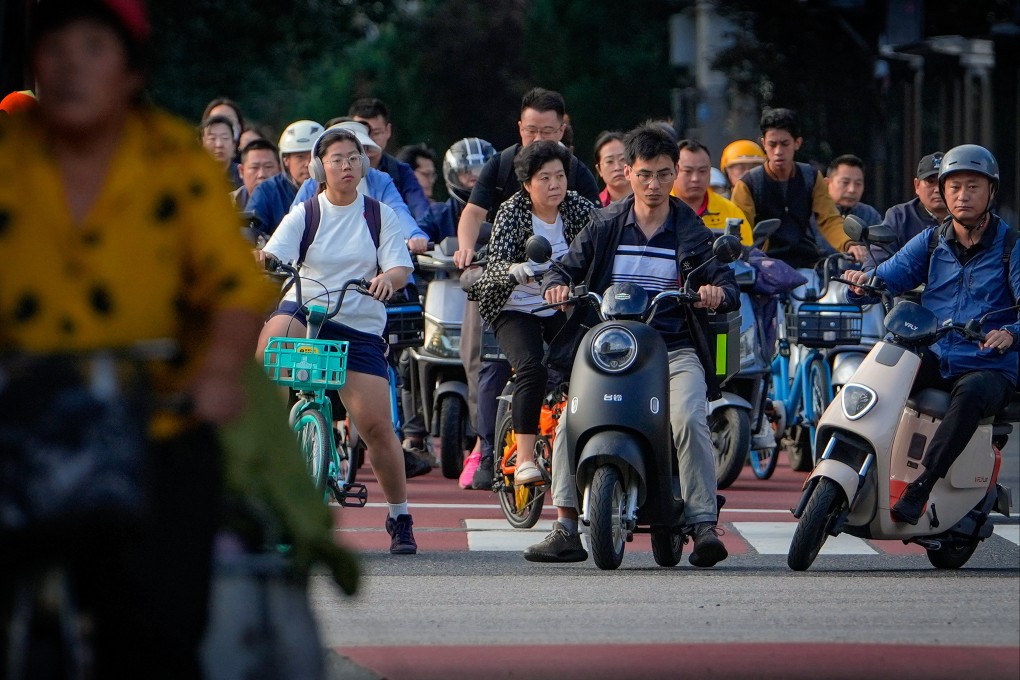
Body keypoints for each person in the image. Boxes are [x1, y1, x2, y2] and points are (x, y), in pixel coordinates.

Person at [0, 1, 275, 675]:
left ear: (129, 70)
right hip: (21, 417)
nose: (72, 66)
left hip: (151, 419)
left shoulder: (176, 164)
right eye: (57, 49)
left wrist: (214, 376)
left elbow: (237, 290)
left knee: (162, 625)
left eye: (94, 48)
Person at [524, 124, 738, 567]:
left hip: (673, 351)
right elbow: (564, 267)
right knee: (569, 423)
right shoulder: (606, 223)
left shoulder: (690, 228)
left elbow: (725, 281)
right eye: (644, 174)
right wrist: (557, 285)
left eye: (663, 174)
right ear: (627, 172)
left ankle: (701, 523)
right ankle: (565, 525)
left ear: (675, 173)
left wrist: (716, 291)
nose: (654, 185)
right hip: (609, 350)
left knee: (688, 418)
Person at [254, 126, 420, 554]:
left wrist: (388, 279)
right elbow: (278, 252)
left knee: (377, 427)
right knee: (268, 349)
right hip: (306, 308)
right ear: (318, 169)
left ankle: (400, 516)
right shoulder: (306, 212)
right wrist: (266, 258)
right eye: (336, 160)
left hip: (359, 321)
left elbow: (399, 267)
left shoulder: (380, 214)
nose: (346, 166)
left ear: (364, 164)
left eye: (353, 158)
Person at [843, 144, 1018, 525]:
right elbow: (888, 275)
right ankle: (848, 462)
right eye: (953, 187)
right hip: (936, 354)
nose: (962, 195)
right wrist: (860, 285)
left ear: (991, 192)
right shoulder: (932, 240)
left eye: (973, 186)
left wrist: (1010, 333)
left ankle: (921, 485)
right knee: (883, 372)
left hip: (988, 364)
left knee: (971, 393)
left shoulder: (1011, 246)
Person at [468, 141, 597, 486]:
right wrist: (518, 270)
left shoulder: (581, 208)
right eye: (545, 178)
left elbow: (602, 245)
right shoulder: (512, 212)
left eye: (559, 176)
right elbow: (494, 266)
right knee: (532, 366)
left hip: (562, 305)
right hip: (515, 308)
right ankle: (524, 458)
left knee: (590, 364)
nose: (555, 184)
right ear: (527, 183)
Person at [452, 87, 601, 271]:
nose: (538, 139)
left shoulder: (577, 171)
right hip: (508, 270)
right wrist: (466, 249)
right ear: (520, 128)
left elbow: (597, 225)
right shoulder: (501, 165)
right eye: (531, 131)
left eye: (547, 131)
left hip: (564, 272)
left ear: (561, 130)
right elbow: (473, 213)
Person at [730, 108, 850, 268]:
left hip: (806, 263)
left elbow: (829, 219)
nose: (778, 151)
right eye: (772, 144)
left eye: (785, 144)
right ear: (764, 144)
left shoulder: (811, 176)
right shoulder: (748, 183)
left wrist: (849, 244)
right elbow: (741, 231)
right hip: (763, 266)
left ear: (797, 143)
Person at [291, 121, 430, 253]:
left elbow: (398, 211)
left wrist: (414, 234)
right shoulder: (310, 187)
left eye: (354, 154)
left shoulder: (380, 180)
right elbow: (291, 228)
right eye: (337, 159)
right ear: (320, 166)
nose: (347, 165)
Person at [349, 97, 431, 221]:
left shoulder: (401, 172)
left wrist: (416, 234)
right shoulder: (338, 171)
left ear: (388, 131)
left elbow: (420, 210)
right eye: (362, 134)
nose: (369, 141)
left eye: (376, 133)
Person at [247, 119, 323, 234]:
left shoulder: (335, 187)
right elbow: (250, 230)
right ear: (286, 160)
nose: (308, 163)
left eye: (313, 156)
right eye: (300, 157)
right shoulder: (267, 190)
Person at [871, 152, 949, 264]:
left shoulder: (967, 217)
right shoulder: (899, 217)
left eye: (943, 183)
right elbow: (876, 261)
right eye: (931, 182)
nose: (937, 189)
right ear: (917, 185)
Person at [671, 139, 751, 244]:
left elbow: (746, 255)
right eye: (687, 171)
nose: (695, 178)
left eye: (702, 171)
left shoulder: (730, 212)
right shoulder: (659, 207)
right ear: (673, 171)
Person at [825, 154, 882, 227]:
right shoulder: (811, 213)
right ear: (826, 184)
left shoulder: (869, 215)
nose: (852, 190)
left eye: (858, 184)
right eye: (845, 182)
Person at [231, 137, 281, 210]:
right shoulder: (226, 204)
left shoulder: (293, 202)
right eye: (254, 167)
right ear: (241, 171)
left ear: (280, 170)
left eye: (268, 167)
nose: (261, 175)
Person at [200, 113, 241, 188]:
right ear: (202, 144)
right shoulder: (192, 176)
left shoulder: (244, 176)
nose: (219, 144)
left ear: (234, 145)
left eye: (225, 138)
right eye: (212, 138)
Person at [593, 130, 632, 207]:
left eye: (622, 159)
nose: (617, 167)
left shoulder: (651, 200)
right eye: (609, 161)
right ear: (599, 170)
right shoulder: (594, 207)